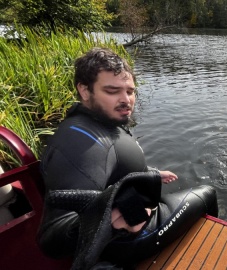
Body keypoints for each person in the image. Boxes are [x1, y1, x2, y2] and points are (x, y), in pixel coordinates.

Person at [37, 48, 217, 269]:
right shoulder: (82, 143)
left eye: (130, 91)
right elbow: (51, 240)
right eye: (112, 91)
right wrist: (106, 218)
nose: (126, 100)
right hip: (130, 236)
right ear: (84, 90)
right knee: (207, 194)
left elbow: (116, 164)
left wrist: (151, 173)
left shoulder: (99, 121)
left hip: (135, 211)